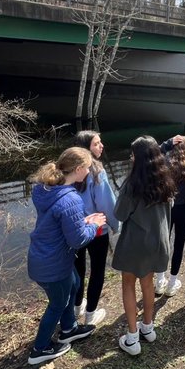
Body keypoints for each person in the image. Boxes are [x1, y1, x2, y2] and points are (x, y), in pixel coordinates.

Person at [24, 147, 106, 365]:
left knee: (75, 284)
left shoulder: (46, 189)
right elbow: (77, 240)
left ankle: (69, 329)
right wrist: (94, 225)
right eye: (87, 168)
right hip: (53, 264)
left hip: (44, 254)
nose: (88, 172)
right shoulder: (71, 199)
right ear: (79, 170)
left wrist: (84, 222)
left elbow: (61, 223)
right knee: (57, 304)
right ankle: (39, 349)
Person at [110, 136, 174, 357]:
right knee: (147, 284)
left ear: (138, 157)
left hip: (136, 243)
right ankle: (148, 327)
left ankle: (132, 338)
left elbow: (119, 214)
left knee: (128, 284)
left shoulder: (132, 185)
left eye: (132, 153)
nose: (130, 157)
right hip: (158, 241)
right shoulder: (165, 179)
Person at [69, 131, 117, 326]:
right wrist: (115, 224)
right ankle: (90, 314)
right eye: (97, 144)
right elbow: (107, 203)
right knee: (97, 271)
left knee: (77, 270)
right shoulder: (96, 171)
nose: (101, 146)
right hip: (97, 230)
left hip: (74, 229)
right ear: (87, 148)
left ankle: (76, 307)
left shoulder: (67, 169)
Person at [154, 134, 185, 297]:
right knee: (178, 245)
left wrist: (166, 144)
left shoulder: (164, 163)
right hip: (184, 209)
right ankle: (172, 283)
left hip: (165, 209)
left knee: (162, 244)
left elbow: (151, 154)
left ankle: (159, 281)